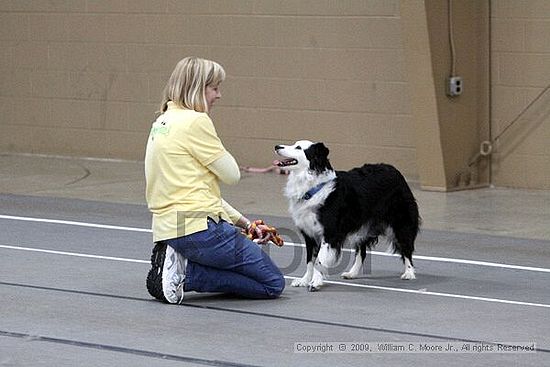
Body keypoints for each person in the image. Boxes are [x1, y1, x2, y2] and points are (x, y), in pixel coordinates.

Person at [145, 56, 285, 304]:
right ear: (198, 88)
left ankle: (179, 264)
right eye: (214, 88)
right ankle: (187, 275)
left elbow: (202, 194)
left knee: (243, 268)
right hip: (199, 230)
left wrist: (245, 224)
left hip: (169, 229)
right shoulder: (196, 121)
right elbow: (232, 175)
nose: (218, 95)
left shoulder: (162, 121)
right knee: (272, 282)